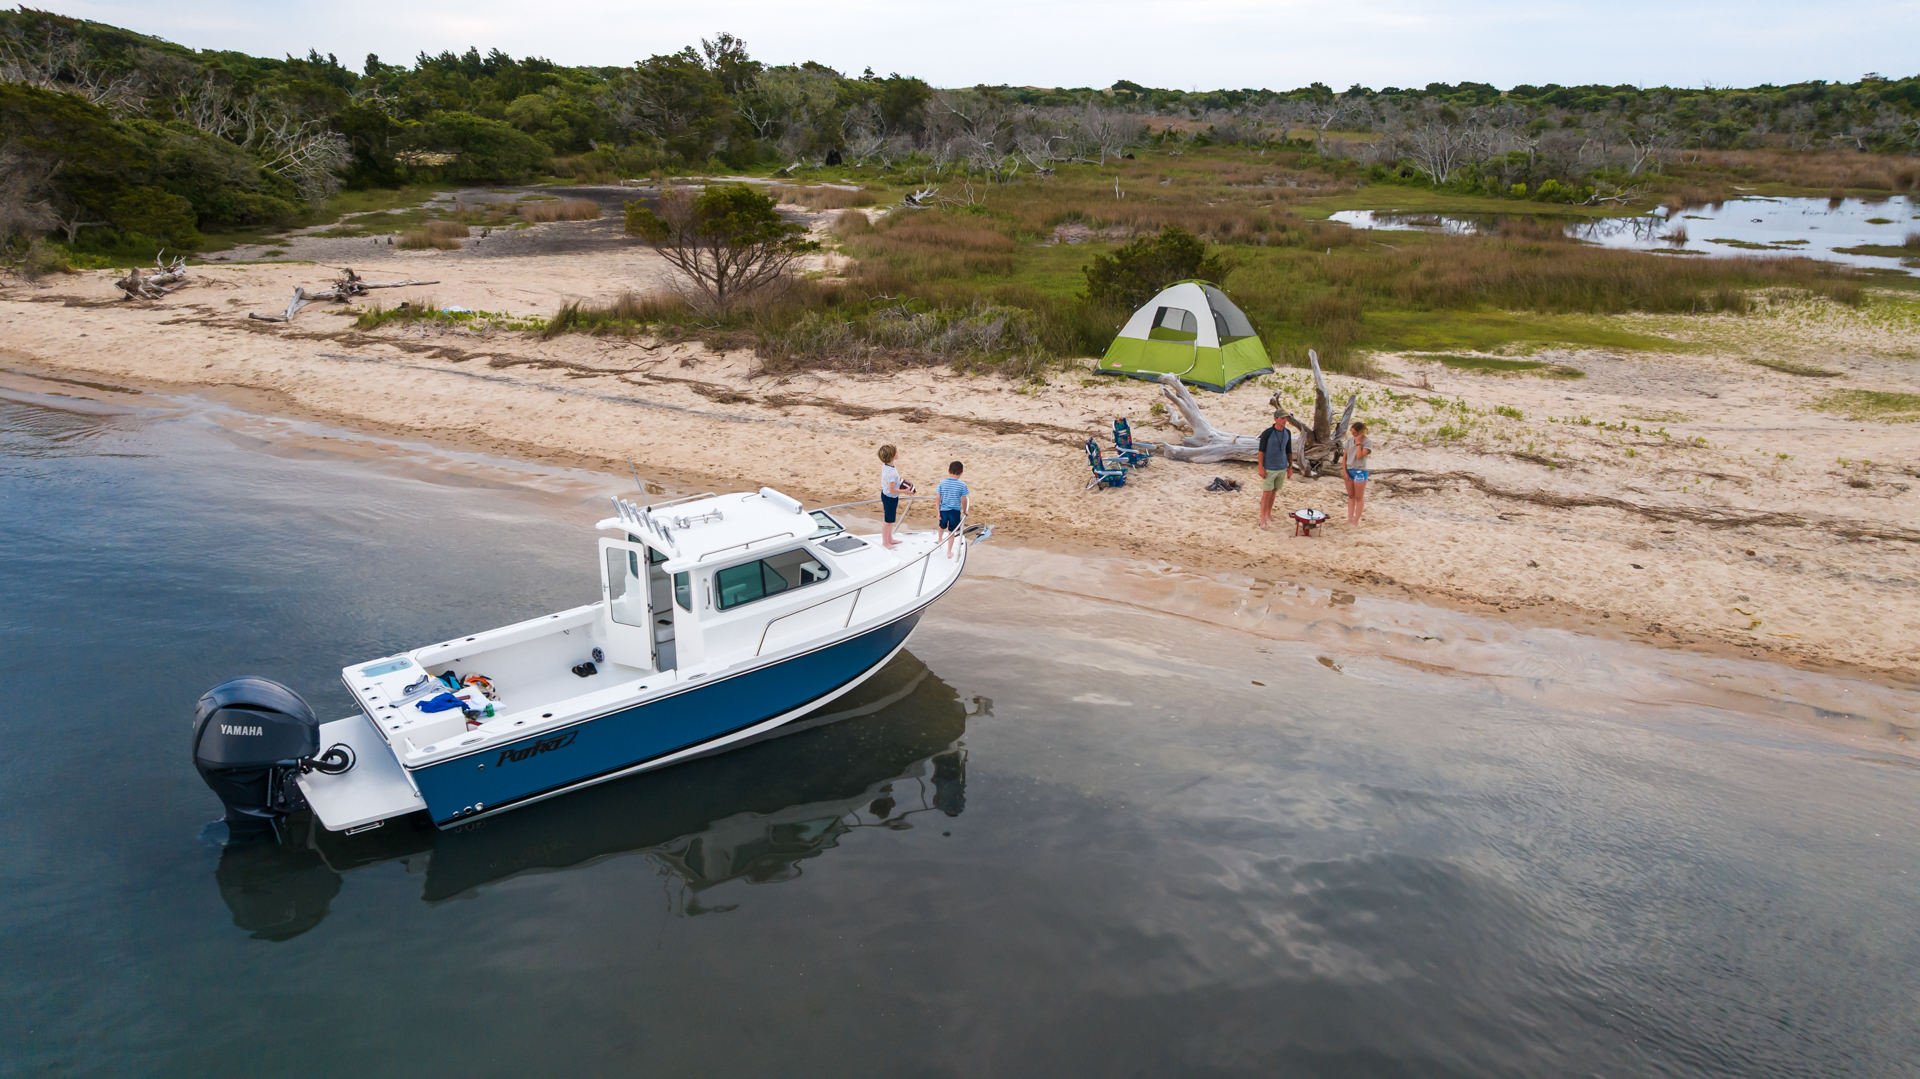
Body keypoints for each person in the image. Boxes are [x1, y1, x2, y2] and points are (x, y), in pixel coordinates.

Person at [1255, 410, 1294, 530]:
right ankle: (1262, 518)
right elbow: (1261, 451)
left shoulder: (1287, 432)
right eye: (1282, 418)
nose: (1285, 421)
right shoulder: (1267, 433)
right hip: (1269, 468)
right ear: (1276, 419)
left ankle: (1268, 513)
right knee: (1266, 493)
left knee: (1274, 491)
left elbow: (1289, 451)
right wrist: (1260, 467)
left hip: (1282, 467)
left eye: (1285, 418)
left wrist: (1290, 467)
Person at [877, 444, 913, 549]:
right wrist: (905, 491)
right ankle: (885, 542)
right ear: (892, 456)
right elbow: (892, 489)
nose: (898, 453)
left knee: (891, 520)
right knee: (888, 522)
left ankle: (890, 539)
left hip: (890, 496)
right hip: (889, 497)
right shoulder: (891, 472)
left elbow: (892, 483)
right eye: (896, 452)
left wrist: (901, 482)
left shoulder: (888, 466)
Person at [936, 460, 969, 559]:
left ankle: (940, 539)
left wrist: (938, 511)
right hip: (955, 512)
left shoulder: (942, 483)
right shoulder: (962, 485)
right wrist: (964, 510)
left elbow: (938, 498)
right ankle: (949, 552)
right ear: (961, 473)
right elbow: (964, 499)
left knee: (941, 526)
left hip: (943, 510)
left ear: (948, 471)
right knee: (952, 532)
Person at [1344, 421, 1372, 526]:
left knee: (1359, 497)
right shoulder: (1349, 440)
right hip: (1349, 469)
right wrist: (1344, 471)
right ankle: (1350, 518)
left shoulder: (1367, 442)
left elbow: (1359, 456)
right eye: (1352, 432)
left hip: (1360, 470)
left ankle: (1356, 520)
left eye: (1355, 433)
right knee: (1351, 496)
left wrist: (1358, 443)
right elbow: (1345, 457)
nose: (1353, 435)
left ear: (1360, 432)